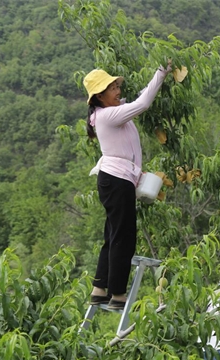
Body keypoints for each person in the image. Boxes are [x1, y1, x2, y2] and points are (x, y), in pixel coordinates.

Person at [83, 62, 171, 310]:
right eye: (112, 88)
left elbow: (139, 98)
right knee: (124, 237)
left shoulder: (111, 112)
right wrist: (161, 73)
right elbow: (143, 103)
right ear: (100, 97)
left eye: (116, 86)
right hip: (116, 180)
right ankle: (118, 294)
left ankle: (99, 289)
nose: (118, 91)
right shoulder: (108, 115)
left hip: (116, 179)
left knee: (113, 235)